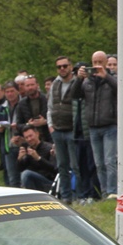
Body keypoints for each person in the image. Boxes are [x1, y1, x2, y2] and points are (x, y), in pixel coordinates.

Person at [79, 51, 118, 198]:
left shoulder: (112, 78)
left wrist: (106, 76)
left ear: (105, 63)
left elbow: (121, 90)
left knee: (110, 161)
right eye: (94, 62)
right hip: (93, 126)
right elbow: (74, 95)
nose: (97, 65)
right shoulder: (87, 81)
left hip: (109, 125)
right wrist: (78, 79)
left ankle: (112, 191)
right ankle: (104, 192)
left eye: (100, 62)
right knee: (99, 163)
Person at [47, 56, 82, 203]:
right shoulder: (55, 84)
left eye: (65, 66)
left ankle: (79, 195)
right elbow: (50, 107)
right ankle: (66, 196)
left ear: (70, 66)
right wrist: (50, 125)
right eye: (59, 66)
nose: (62, 69)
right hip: (57, 129)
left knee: (76, 165)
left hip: (72, 130)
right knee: (62, 166)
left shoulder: (77, 82)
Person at [0, 81, 22, 187]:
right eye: (7, 92)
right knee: (12, 177)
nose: (10, 94)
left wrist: (19, 126)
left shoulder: (23, 104)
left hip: (22, 144)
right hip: (7, 145)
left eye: (12, 91)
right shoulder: (2, 107)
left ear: (17, 91)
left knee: (23, 175)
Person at [17, 124, 57, 192]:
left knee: (26, 174)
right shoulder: (28, 150)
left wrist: (38, 158)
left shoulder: (49, 148)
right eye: (26, 137)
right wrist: (19, 159)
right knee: (25, 174)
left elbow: (54, 169)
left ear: (37, 134)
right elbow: (20, 169)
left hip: (48, 181)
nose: (29, 139)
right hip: (33, 181)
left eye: (30, 136)